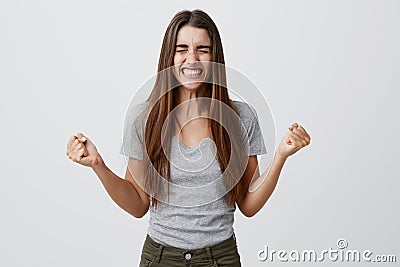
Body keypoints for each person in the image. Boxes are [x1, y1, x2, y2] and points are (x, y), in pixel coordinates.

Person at [66, 9, 311, 267]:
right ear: (169, 57)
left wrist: (281, 155)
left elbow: (248, 204)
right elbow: (138, 204)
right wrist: (98, 165)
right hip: (160, 258)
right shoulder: (144, 119)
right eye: (181, 48)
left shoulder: (241, 118)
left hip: (221, 258)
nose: (191, 59)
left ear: (215, 56)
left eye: (202, 49)